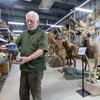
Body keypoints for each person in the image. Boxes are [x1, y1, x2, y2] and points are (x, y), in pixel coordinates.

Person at [15, 11, 48, 100]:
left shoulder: (42, 34)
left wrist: (28, 58)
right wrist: (8, 49)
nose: (29, 23)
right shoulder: (23, 34)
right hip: (24, 68)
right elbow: (15, 46)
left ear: (38, 22)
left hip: (35, 69)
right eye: (27, 21)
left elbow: (41, 50)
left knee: (35, 93)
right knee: (23, 92)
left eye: (32, 21)